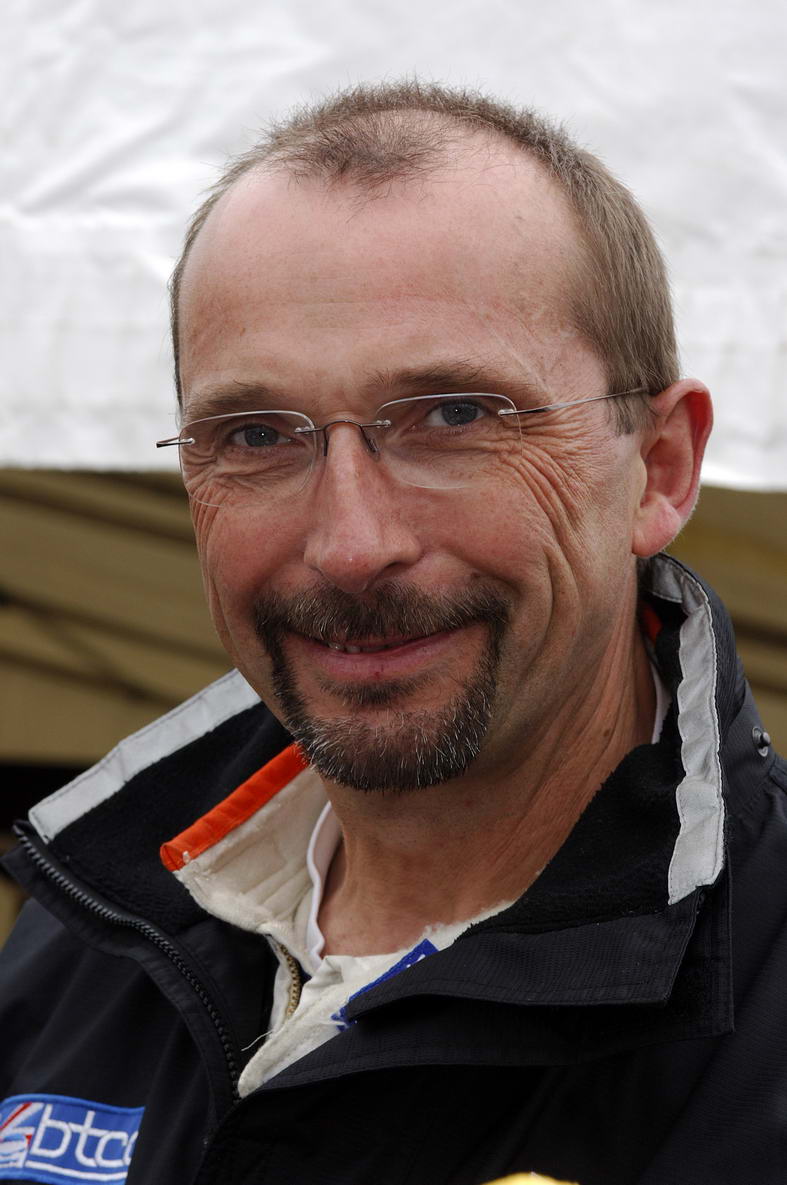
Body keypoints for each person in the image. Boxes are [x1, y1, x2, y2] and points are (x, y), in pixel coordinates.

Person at [1, 81, 785, 1185]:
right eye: (257, 435)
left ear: (657, 469)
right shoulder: (91, 928)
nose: (350, 545)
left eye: (455, 416)